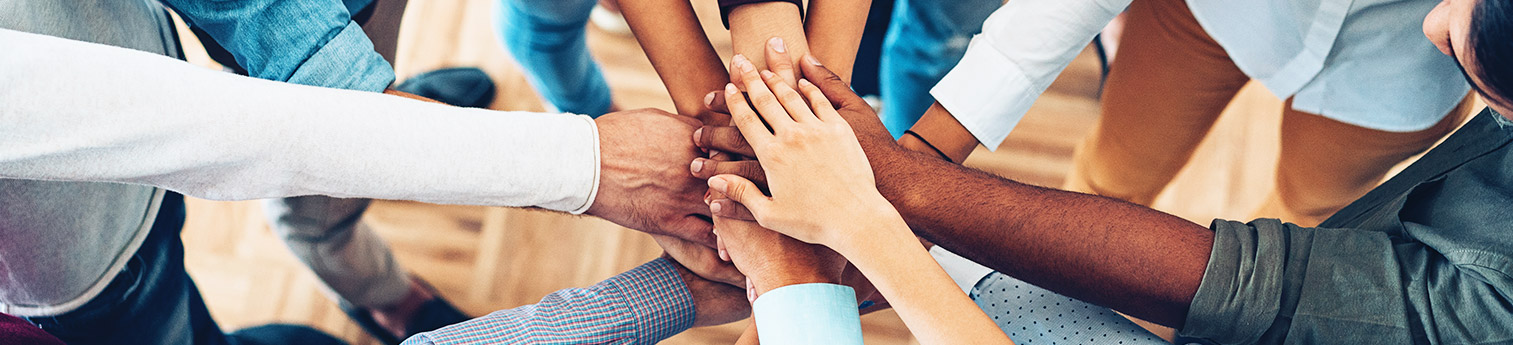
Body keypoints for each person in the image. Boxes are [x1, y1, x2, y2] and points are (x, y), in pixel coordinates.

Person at [695, 0, 1513, 342]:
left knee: (1308, 219)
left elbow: (1292, 282)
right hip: (1209, 17)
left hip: (1378, 98)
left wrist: (879, 215)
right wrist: (898, 183)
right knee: (1106, 180)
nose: (1432, 20)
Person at [0, 10, 711, 345]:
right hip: (75, 254)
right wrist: (586, 165)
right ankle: (381, 295)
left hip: (146, 45)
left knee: (364, 78)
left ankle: (395, 95)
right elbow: (224, 128)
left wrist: (375, 92)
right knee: (312, 212)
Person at [896, 0, 1473, 228]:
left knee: (1296, 221)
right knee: (1108, 180)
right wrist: (928, 157)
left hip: (1402, 66)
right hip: (1214, 9)